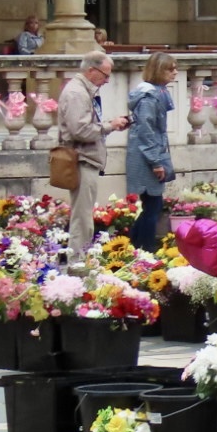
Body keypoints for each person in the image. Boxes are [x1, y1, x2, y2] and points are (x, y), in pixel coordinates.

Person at [58, 50, 129, 269]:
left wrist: (108, 123)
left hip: (85, 158)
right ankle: (76, 264)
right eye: (105, 75)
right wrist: (110, 125)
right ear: (91, 70)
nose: (107, 81)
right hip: (81, 160)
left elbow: (83, 125)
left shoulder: (82, 90)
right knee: (82, 216)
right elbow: (80, 130)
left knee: (84, 214)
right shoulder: (77, 93)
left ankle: (78, 260)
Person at [125, 53, 177, 253]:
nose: (175, 73)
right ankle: (144, 249)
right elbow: (147, 132)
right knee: (153, 206)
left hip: (150, 153)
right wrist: (156, 162)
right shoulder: (149, 96)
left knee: (152, 206)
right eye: (169, 69)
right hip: (147, 157)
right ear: (158, 70)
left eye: (175, 68)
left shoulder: (156, 92)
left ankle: (135, 247)